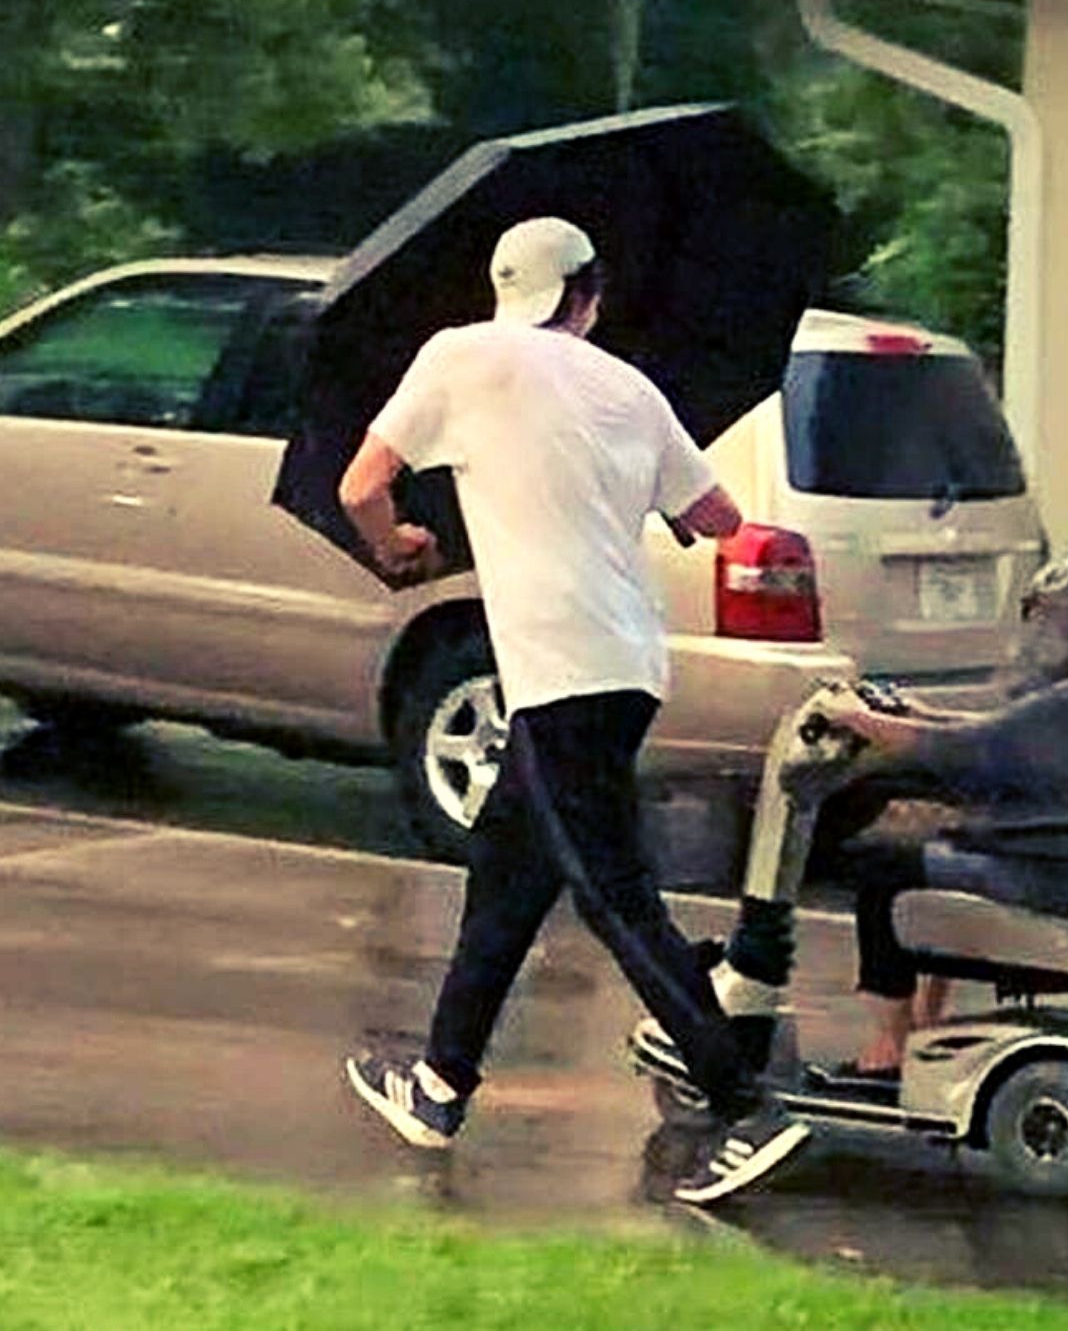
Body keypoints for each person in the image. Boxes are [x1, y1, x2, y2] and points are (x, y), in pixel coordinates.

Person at [336, 216, 809, 1206]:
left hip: (558, 669)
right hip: (630, 662)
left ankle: (743, 1103)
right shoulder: (629, 387)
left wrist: (399, 544)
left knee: (611, 892)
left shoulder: (460, 356)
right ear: (585, 294)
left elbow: (362, 485)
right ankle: (438, 1085)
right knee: (506, 881)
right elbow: (717, 519)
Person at [811, 555, 1068, 1080]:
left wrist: (858, 721)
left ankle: (888, 1046)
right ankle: (927, 1023)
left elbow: (963, 749)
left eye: (1048, 616)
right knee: (929, 838)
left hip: (1054, 872)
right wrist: (908, 711)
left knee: (879, 863)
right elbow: (1002, 733)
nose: (1038, 630)